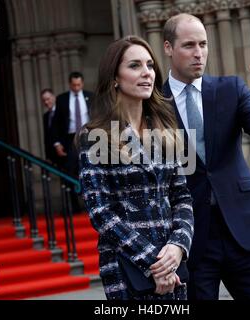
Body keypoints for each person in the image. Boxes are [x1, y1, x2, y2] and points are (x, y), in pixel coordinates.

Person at [162, 13, 250, 300]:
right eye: (189, 45)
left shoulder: (231, 88)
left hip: (243, 229)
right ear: (168, 48)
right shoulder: (154, 102)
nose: (199, 53)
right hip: (192, 238)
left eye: (203, 44)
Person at [78, 36, 194, 300]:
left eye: (150, 65)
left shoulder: (165, 129)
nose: (146, 73)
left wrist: (178, 246)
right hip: (127, 268)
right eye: (134, 65)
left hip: (172, 265)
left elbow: (182, 197)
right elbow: (100, 212)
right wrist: (152, 262)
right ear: (115, 77)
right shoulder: (97, 135)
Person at [52, 72, 93, 212]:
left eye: (79, 84)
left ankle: (92, 203)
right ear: (70, 84)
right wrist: (57, 143)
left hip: (89, 138)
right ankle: (75, 206)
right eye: (74, 85)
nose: (76, 87)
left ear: (82, 83)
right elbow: (56, 123)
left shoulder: (91, 96)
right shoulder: (62, 99)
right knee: (70, 170)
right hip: (70, 139)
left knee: (91, 169)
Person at [41, 88, 58, 165]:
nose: (46, 102)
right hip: (53, 155)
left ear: (53, 97)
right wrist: (48, 156)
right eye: (44, 100)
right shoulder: (46, 116)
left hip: (65, 152)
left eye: (48, 99)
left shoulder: (62, 111)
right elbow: (47, 137)